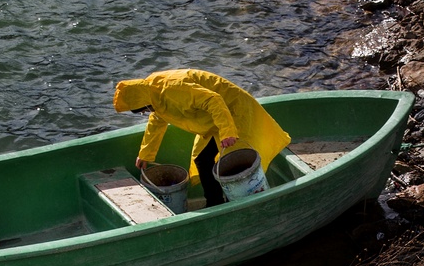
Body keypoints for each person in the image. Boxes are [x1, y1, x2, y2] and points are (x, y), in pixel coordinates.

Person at [112, 69, 292, 206]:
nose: (147, 112)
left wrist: (228, 131)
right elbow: (157, 120)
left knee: (235, 159)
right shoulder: (154, 95)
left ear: (144, 102)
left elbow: (214, 100)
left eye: (144, 110)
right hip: (212, 121)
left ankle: (249, 200)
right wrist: (145, 154)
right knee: (203, 160)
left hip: (233, 112)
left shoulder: (173, 88)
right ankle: (215, 203)